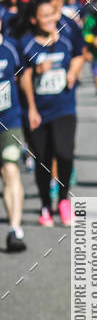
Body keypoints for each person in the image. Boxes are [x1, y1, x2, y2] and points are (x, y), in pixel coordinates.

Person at [19, 0, 84, 225]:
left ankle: (64, 201)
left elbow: (79, 55)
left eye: (52, 15)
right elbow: (23, 77)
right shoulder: (26, 43)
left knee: (65, 154)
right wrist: (32, 109)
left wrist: (73, 72)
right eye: (44, 16)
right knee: (43, 160)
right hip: (39, 111)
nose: (50, 20)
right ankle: (46, 204)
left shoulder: (65, 37)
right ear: (34, 19)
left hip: (64, 107)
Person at [0, 15, 26, 251]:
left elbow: (23, 75)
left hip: (9, 120)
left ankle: (15, 229)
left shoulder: (10, 48)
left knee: (10, 169)